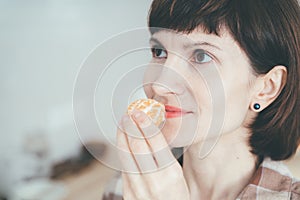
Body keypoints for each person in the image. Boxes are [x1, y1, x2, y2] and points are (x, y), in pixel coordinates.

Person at [103, 0, 300, 199]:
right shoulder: (126, 187)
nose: (160, 85)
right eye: (159, 52)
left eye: (201, 56)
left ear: (266, 88)